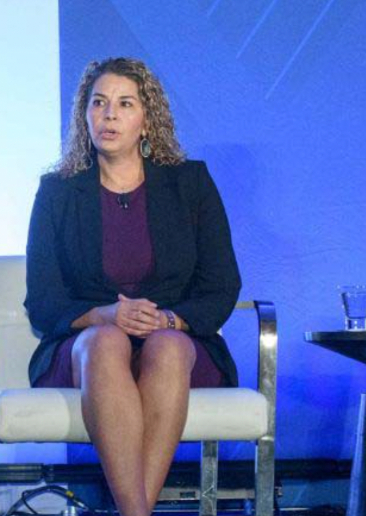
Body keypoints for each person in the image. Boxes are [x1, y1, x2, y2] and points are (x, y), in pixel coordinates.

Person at [25, 57, 242, 516]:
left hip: (176, 344)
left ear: (147, 121)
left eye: (125, 104)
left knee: (165, 345)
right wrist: (104, 315)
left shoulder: (190, 183)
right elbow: (43, 300)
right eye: (98, 103)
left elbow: (221, 285)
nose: (109, 115)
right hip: (86, 351)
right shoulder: (58, 192)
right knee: (104, 342)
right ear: (84, 116)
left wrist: (169, 318)